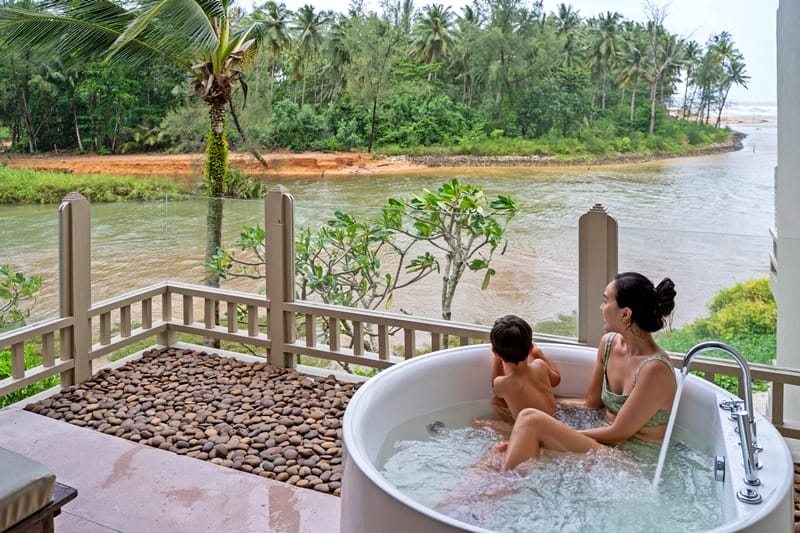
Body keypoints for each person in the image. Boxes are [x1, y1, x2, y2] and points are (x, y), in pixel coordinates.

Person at [497, 272, 678, 470]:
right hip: (602, 444)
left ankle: (500, 492)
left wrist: (553, 431)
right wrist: (544, 405)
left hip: (632, 463)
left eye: (605, 300)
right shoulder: (608, 344)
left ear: (625, 314)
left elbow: (619, 433)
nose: (601, 308)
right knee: (501, 429)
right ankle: (491, 493)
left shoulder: (655, 370)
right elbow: (591, 404)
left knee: (529, 421)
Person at [489, 314, 561, 421]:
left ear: (495, 352)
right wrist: (539, 353)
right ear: (531, 348)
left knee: (481, 422)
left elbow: (497, 392)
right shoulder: (540, 365)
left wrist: (497, 359)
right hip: (556, 421)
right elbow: (556, 380)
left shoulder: (503, 384)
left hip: (532, 432)